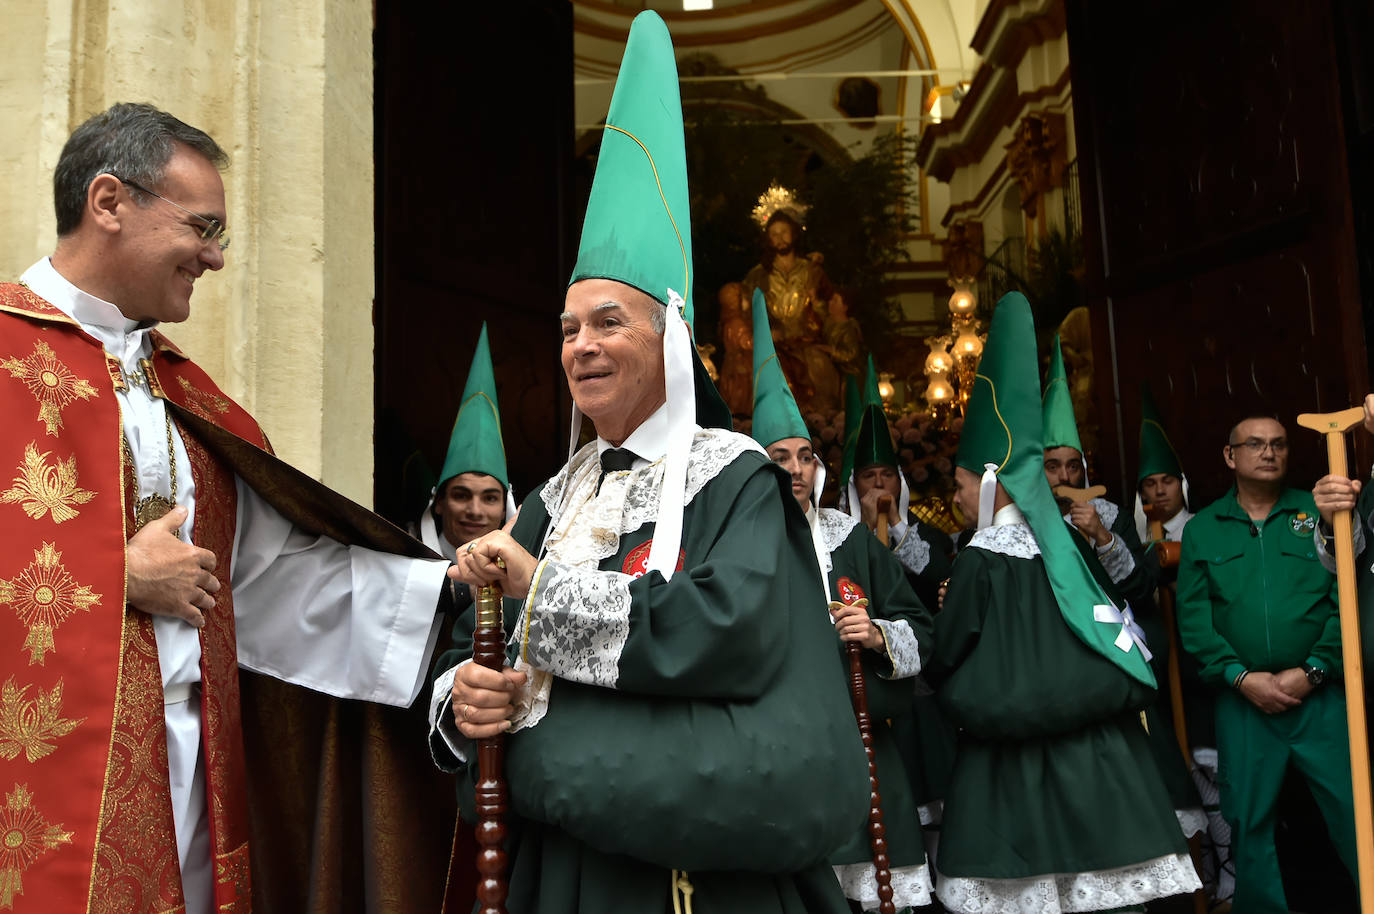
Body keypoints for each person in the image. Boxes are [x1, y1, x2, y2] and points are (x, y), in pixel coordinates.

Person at [427, 14, 867, 913]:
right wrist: (465, 695)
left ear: (670, 345)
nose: (580, 346)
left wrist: (539, 589)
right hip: (564, 866)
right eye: (567, 329)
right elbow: (496, 648)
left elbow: (729, 629)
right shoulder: (559, 494)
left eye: (607, 323)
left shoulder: (735, 475)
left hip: (707, 875)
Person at [0, 103, 450, 913]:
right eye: (202, 227)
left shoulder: (185, 393)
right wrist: (111, 573)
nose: (213, 256)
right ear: (109, 203)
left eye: (221, 235)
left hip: (190, 776)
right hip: (37, 790)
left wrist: (454, 597)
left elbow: (268, 580)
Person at [930, 292, 1199, 913]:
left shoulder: (980, 558)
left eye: (964, 485)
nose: (958, 497)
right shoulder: (1072, 545)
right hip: (1100, 752)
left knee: (1031, 889)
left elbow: (950, 649)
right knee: (1102, 885)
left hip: (1009, 759)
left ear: (991, 484)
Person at [750, 287, 935, 912]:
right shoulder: (736, 549)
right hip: (776, 753)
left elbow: (920, 625)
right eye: (781, 458)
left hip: (864, 750)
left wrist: (879, 634)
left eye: (806, 456)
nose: (797, 468)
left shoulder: (850, 540)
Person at [1176, 414, 1359, 913]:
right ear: (1230, 457)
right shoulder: (1204, 529)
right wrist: (1239, 677)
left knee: (1357, 811)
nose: (1269, 452)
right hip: (1245, 700)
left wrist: (1317, 668)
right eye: (1254, 444)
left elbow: (1350, 599)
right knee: (1248, 823)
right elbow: (1194, 621)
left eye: (1278, 443)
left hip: (1321, 695)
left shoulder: (1318, 510)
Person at [840, 356, 952, 610]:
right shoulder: (838, 532)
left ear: (900, 482)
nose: (879, 483)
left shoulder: (923, 533)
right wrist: (867, 527)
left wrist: (896, 524)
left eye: (887, 475)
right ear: (855, 485)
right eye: (869, 475)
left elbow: (942, 576)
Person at [418, 322, 517, 564]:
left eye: (490, 498)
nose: (475, 511)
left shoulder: (521, 582)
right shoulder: (407, 567)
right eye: (461, 495)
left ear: (506, 508)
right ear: (439, 503)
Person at [741, 203, 838, 412]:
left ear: (794, 234)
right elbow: (748, 314)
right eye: (774, 234)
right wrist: (767, 332)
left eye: (784, 232)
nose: (780, 238)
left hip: (807, 343)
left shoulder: (811, 271)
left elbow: (830, 312)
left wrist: (816, 303)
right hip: (774, 346)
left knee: (821, 371)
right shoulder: (758, 275)